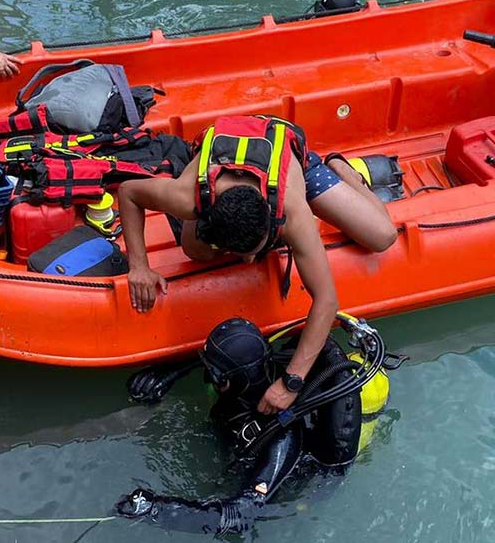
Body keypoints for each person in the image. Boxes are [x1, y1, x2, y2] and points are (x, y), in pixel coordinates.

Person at [117, 116, 399, 416]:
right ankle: (227, 239)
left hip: (292, 161)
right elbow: (129, 192)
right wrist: (139, 266)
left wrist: (292, 382)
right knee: (193, 250)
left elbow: (327, 301)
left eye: (256, 250)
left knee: (382, 235)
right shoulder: (188, 198)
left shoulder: (292, 211)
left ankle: (345, 171)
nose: (250, 262)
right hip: (219, 165)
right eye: (240, 254)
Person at [114, 317, 392, 534]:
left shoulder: (283, 438)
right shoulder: (248, 385)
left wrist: (155, 509)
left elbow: (239, 515)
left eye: (214, 375)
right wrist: (169, 373)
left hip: (287, 486)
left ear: (232, 382)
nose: (210, 381)